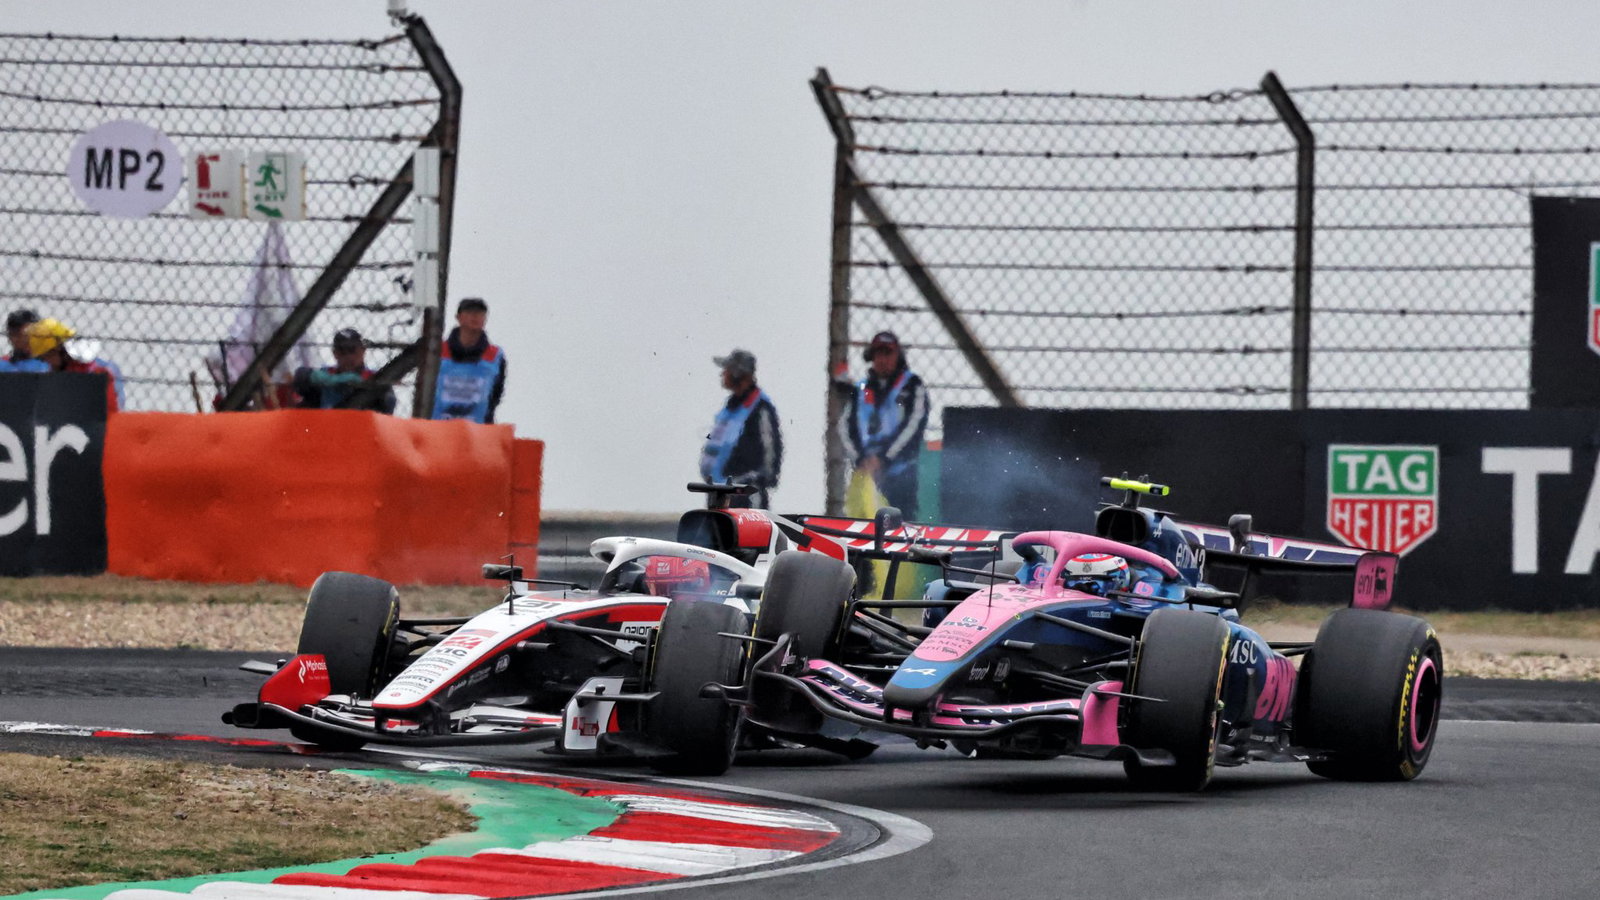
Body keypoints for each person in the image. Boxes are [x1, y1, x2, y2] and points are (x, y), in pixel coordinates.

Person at [838, 330, 931, 520]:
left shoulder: (912, 386)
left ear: (898, 356)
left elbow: (913, 426)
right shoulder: (860, 389)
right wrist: (861, 459)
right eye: (878, 353)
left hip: (901, 471)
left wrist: (884, 458)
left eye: (888, 353)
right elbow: (845, 427)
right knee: (861, 523)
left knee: (901, 524)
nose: (883, 359)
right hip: (866, 471)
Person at [698, 348, 782, 509]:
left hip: (746, 495)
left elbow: (770, 452)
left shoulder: (760, 409)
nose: (723, 374)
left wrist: (756, 481)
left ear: (738, 374)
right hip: (720, 491)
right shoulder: (731, 406)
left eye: (727, 370)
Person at [433, 296, 506, 423]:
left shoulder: (494, 355)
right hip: (437, 425)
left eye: (480, 313)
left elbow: (496, 393)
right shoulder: (439, 350)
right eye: (469, 312)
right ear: (458, 317)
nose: (475, 316)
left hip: (478, 427)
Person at [25, 317, 120, 412]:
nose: (47, 362)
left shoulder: (97, 375)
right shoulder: (54, 379)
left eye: (46, 356)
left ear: (59, 349)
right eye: (42, 359)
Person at [292, 327, 396, 414]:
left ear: (363, 351)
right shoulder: (326, 374)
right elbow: (300, 377)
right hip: (327, 426)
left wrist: (364, 388)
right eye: (342, 351)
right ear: (335, 353)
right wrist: (332, 380)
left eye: (352, 350)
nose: (348, 357)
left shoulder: (373, 377)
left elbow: (389, 403)